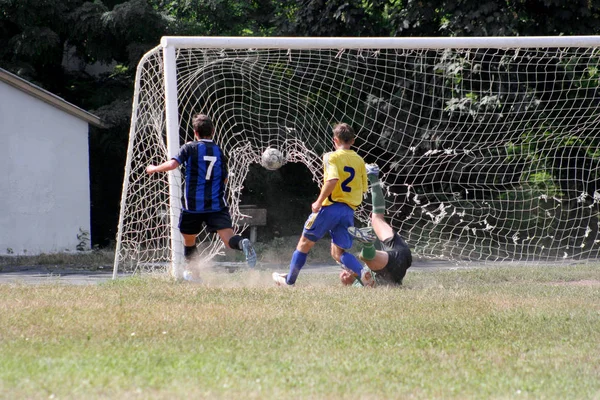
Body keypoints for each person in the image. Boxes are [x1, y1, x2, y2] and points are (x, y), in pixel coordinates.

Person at [146, 113, 256, 271]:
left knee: (189, 240)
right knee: (228, 240)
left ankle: (194, 273)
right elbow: (224, 179)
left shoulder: (190, 148)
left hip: (193, 205)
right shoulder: (218, 151)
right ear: (213, 131)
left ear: (195, 132)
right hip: (216, 205)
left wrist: (153, 168)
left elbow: (172, 165)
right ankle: (241, 243)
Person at [272, 123, 368, 286]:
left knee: (304, 243)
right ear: (353, 141)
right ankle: (363, 273)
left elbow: (332, 180)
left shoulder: (331, 156)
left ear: (335, 140)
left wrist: (318, 201)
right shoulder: (359, 160)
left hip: (329, 208)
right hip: (348, 211)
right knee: (338, 252)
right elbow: (363, 188)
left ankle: (289, 281)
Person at [341, 163, 412, 287]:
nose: (345, 273)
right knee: (366, 256)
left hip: (397, 253)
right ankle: (367, 243)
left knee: (376, 219)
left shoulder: (361, 276)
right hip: (394, 264)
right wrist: (353, 279)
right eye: (345, 275)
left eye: (344, 271)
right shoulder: (360, 284)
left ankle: (373, 176)